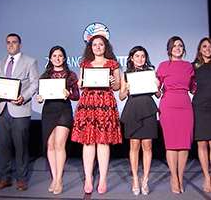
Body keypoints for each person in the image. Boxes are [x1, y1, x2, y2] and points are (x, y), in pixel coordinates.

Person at [71, 35, 122, 196]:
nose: (98, 47)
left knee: (103, 141)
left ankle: (103, 179)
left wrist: (114, 83)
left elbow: (118, 87)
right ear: (90, 47)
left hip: (105, 103)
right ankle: (88, 178)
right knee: (88, 141)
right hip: (88, 104)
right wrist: (79, 84)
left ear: (106, 46)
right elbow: (81, 85)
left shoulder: (113, 63)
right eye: (95, 45)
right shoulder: (85, 63)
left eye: (101, 44)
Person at [0, 33, 39, 191]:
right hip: (1, 109)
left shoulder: (30, 61)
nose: (11, 45)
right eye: (8, 43)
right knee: (3, 146)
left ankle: (22, 178)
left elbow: (34, 84)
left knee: (20, 146)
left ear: (20, 44)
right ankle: (4, 177)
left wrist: (23, 97)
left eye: (14, 42)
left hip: (20, 109)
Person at [35, 46, 79, 195]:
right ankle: (53, 178)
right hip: (48, 111)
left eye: (60, 56)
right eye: (54, 56)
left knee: (60, 144)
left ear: (64, 58)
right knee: (50, 145)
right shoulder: (45, 75)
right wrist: (39, 98)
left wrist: (69, 95)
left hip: (64, 110)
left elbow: (76, 95)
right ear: (50, 58)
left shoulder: (70, 75)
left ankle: (59, 178)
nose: (57, 58)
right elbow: (40, 96)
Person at [156, 36, 196, 194]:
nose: (178, 48)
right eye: (174, 46)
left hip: (185, 105)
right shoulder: (163, 66)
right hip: (168, 105)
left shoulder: (188, 66)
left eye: (180, 45)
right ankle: (174, 177)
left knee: (185, 143)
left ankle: (181, 176)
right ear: (169, 49)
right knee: (171, 144)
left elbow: (193, 87)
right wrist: (154, 89)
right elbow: (158, 90)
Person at [119, 46, 160, 196]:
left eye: (143, 56)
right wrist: (126, 89)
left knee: (147, 145)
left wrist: (157, 86)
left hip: (148, 109)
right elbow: (121, 97)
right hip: (133, 109)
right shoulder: (126, 75)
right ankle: (135, 178)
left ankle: (145, 180)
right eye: (137, 56)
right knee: (134, 145)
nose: (140, 59)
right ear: (131, 58)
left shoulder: (150, 73)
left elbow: (158, 94)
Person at [191, 37, 211, 193]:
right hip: (199, 107)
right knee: (202, 144)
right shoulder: (194, 67)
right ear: (200, 49)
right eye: (204, 46)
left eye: (210, 46)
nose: (207, 49)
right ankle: (206, 176)